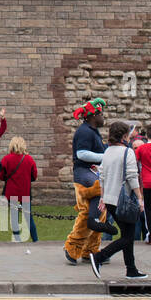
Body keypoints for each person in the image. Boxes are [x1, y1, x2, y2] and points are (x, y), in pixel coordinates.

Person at [89, 121, 147, 279]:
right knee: (127, 237)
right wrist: (140, 198)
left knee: (126, 234)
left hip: (109, 199)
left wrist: (102, 196)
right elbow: (132, 176)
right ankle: (99, 256)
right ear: (124, 136)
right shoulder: (127, 152)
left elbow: (102, 176)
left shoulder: (107, 151)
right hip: (124, 200)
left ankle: (131, 269)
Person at [63, 99, 114, 264]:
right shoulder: (85, 132)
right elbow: (82, 154)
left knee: (101, 211)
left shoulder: (92, 131)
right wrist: (106, 156)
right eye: (101, 114)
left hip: (91, 172)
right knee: (92, 211)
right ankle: (73, 247)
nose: (104, 117)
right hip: (84, 173)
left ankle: (90, 250)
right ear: (94, 115)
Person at [0, 137, 38, 242]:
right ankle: (35, 240)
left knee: (14, 217)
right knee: (28, 218)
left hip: (12, 192)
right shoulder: (29, 159)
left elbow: (1, 176)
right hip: (25, 191)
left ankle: (17, 239)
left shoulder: (6, 159)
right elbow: (34, 176)